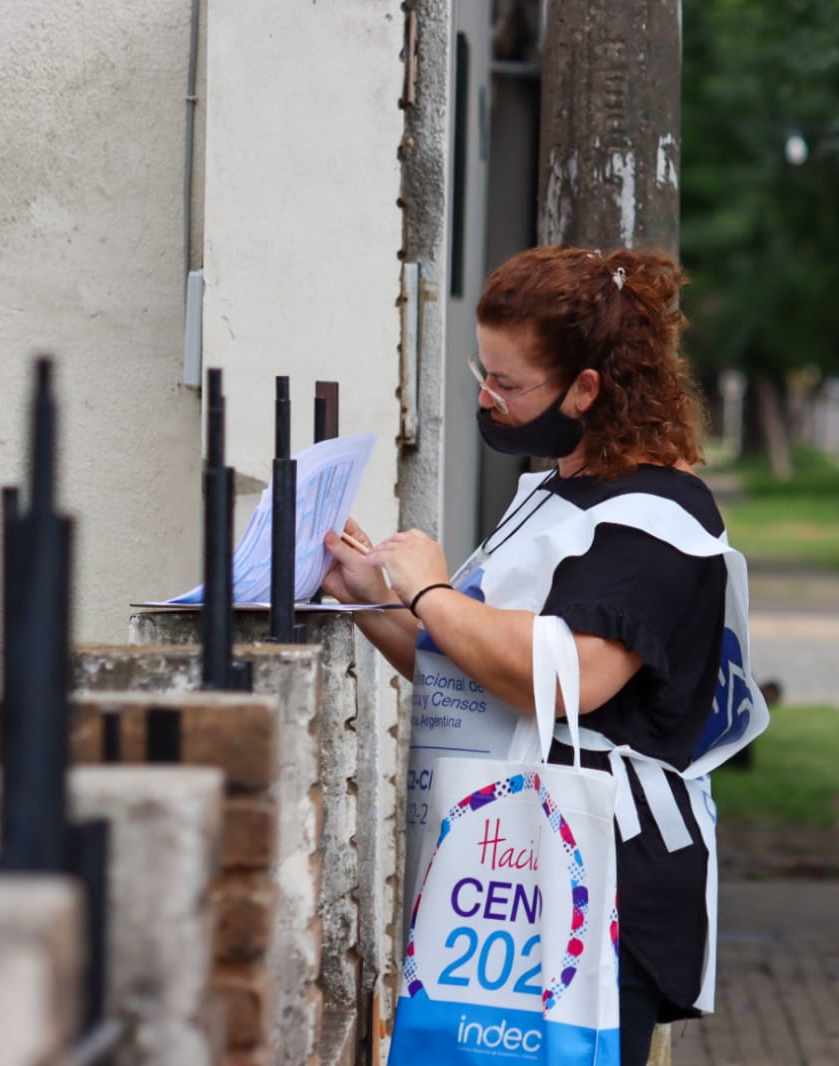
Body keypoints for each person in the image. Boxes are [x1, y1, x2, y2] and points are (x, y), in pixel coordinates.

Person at [321, 245, 764, 1065]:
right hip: (512, 867)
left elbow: (575, 677)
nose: (487, 399)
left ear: (587, 388)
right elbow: (478, 674)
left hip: (600, 877)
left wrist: (429, 593)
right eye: (481, 372)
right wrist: (364, 596)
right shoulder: (555, 493)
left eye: (509, 384)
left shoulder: (658, 515)